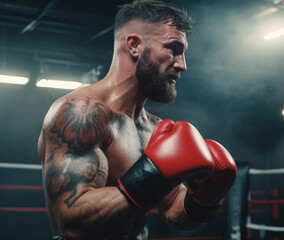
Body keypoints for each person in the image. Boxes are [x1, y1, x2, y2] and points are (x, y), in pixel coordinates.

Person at [37, 0, 237, 239]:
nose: (182, 65)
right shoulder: (80, 113)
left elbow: (175, 213)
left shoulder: (153, 127)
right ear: (134, 45)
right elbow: (71, 223)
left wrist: (205, 196)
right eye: (173, 48)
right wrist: (154, 174)